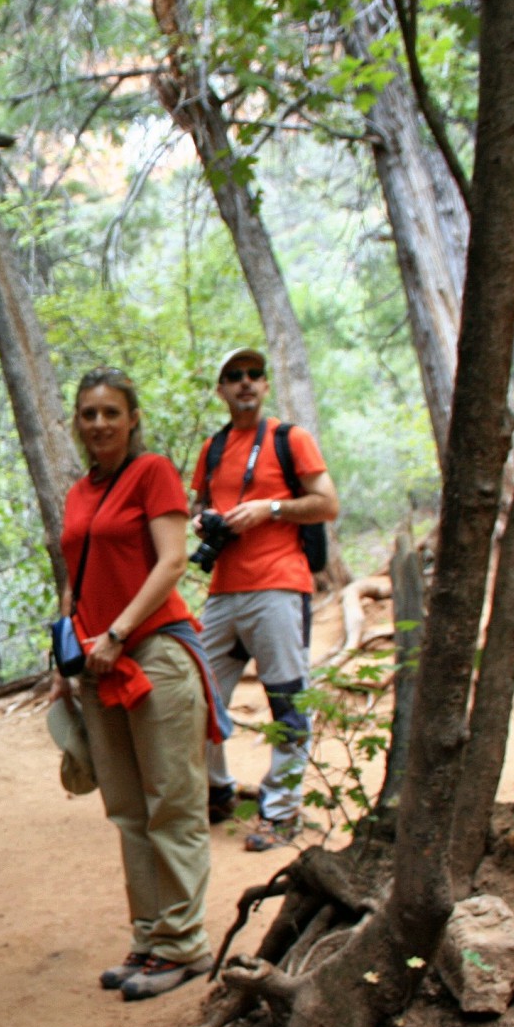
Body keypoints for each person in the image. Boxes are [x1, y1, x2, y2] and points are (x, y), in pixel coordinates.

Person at [55, 368, 231, 1001]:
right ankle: (151, 935)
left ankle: (185, 945)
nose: (99, 423)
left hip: (151, 654)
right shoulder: (79, 492)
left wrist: (120, 632)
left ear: (132, 419)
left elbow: (173, 561)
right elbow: (78, 573)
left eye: (110, 412)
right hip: (96, 663)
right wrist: (66, 653)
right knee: (128, 809)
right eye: (88, 413)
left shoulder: (152, 472)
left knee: (172, 802)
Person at [187, 346, 341, 853]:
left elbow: (327, 503)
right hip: (224, 592)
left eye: (254, 374)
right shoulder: (212, 449)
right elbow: (197, 507)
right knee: (200, 698)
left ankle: (281, 813)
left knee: (287, 701)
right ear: (221, 389)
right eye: (234, 376)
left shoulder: (289, 439)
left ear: (265, 384)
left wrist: (270, 509)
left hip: (279, 584)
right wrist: (199, 521)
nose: (245, 383)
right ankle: (217, 791)